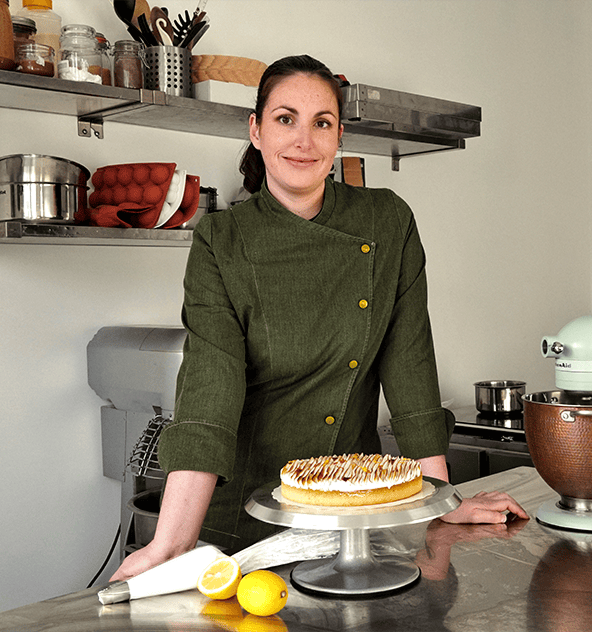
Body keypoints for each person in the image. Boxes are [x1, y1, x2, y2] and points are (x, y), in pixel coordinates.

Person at [111, 54, 527, 582]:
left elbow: (410, 363)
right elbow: (209, 388)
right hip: (245, 518)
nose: (303, 140)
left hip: (353, 517)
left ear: (338, 136)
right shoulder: (222, 240)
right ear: (256, 131)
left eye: (321, 123)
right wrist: (172, 543)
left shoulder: (387, 219)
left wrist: (440, 501)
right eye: (285, 119)